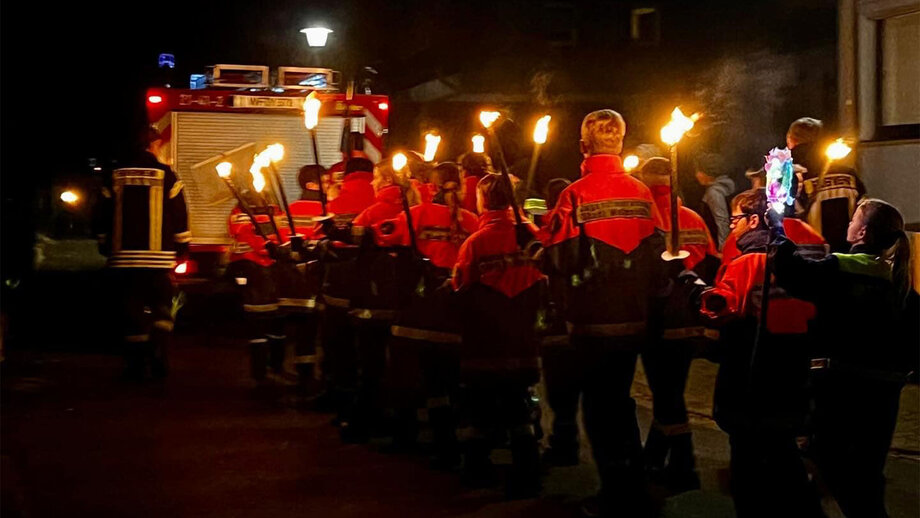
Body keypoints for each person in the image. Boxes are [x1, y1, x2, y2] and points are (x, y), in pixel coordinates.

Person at [543, 109, 666, 516]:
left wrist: (540, 240)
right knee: (620, 399)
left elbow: (560, 261)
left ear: (583, 146)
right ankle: (634, 481)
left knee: (599, 407)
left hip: (591, 319)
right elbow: (659, 250)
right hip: (634, 318)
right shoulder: (640, 192)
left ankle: (617, 492)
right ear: (621, 144)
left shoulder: (575, 194)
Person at [769, 198, 915, 518]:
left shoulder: (844, 268)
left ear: (861, 232)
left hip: (844, 389)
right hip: (886, 394)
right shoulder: (897, 280)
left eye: (853, 220)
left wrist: (778, 233)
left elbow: (794, 274)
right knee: (866, 474)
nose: (847, 225)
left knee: (833, 464)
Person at [700, 189, 823, 518]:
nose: (733, 226)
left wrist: (699, 295)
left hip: (753, 366)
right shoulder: (814, 243)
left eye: (736, 219)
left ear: (755, 220)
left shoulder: (747, 261)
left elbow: (722, 307)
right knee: (783, 448)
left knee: (749, 456)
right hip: (798, 359)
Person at [375, 161, 479, 464]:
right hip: (455, 313)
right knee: (446, 381)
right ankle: (447, 443)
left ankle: (405, 437)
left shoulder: (419, 213)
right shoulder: (472, 220)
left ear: (430, 187)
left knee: (408, 378)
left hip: (417, 312)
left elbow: (386, 235)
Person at [452, 173, 546, 499]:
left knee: (480, 409)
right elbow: (544, 278)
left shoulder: (476, 242)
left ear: (483, 200)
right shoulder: (530, 235)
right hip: (522, 338)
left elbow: (461, 284)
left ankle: (476, 469)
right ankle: (528, 472)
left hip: (485, 340)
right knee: (519, 407)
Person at [635, 157, 719, 492]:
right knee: (670, 392)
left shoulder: (643, 218)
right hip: (691, 317)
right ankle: (653, 458)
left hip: (656, 320)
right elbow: (712, 262)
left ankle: (684, 467)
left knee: (667, 396)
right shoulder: (693, 218)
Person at [98, 126, 190, 380]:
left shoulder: (113, 175)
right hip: (159, 257)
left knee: (132, 307)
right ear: (154, 145)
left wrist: (104, 242)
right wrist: (182, 245)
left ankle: (136, 365)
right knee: (163, 304)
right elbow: (179, 214)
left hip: (123, 257)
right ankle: (159, 349)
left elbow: (103, 213)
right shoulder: (167, 175)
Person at [342, 159, 421, 442]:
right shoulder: (416, 211)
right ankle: (403, 423)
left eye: (376, 178)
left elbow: (353, 251)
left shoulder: (372, 213)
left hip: (373, 301)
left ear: (386, 181)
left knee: (371, 364)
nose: (373, 183)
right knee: (403, 367)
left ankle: (363, 423)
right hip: (407, 304)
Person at [320, 157, 377, 429]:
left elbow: (319, 238)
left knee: (337, 345)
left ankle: (337, 397)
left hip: (339, 284)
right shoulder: (383, 200)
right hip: (373, 287)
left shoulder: (335, 201)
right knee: (367, 350)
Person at [535, 177, 582, 467]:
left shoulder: (551, 228)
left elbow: (546, 264)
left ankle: (564, 441)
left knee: (558, 386)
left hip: (555, 314)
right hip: (581, 315)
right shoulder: (582, 228)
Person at [226, 187, 288, 384]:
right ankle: (276, 367)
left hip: (249, 275)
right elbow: (284, 240)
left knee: (257, 326)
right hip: (273, 274)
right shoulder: (277, 216)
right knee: (277, 324)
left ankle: (259, 372)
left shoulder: (237, 216)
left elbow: (237, 236)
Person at [721, 188, 828, 266]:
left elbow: (726, 290)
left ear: (754, 220)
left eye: (735, 219)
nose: (731, 225)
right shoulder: (806, 230)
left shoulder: (739, 252)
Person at [694, 152, 735, 249]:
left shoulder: (714, 192)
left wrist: (723, 248)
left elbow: (722, 220)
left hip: (718, 243)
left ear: (708, 174)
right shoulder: (727, 185)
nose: (696, 175)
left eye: (699, 171)